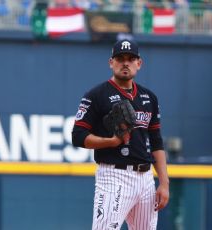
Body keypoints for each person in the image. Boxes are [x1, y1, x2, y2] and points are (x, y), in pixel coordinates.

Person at [72, 39, 169, 230]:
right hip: (114, 176)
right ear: (111, 62)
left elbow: (156, 142)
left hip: (146, 178)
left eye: (131, 58)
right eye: (120, 58)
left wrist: (164, 183)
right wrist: (111, 142)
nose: (126, 63)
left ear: (139, 64)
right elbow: (78, 135)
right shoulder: (96, 95)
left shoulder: (149, 97)